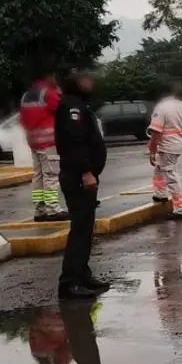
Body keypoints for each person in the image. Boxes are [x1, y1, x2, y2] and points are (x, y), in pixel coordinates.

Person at [55, 68, 109, 299]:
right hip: (78, 176)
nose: (90, 82)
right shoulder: (71, 107)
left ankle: (82, 274)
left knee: (86, 229)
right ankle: (69, 283)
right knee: (79, 230)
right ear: (74, 83)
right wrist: (86, 171)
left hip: (84, 176)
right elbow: (74, 142)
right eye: (84, 79)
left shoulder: (79, 104)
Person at [20, 65, 69, 222]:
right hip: (48, 142)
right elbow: (62, 110)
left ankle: (39, 210)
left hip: (33, 142)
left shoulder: (27, 95)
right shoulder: (49, 92)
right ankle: (53, 209)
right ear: (48, 77)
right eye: (54, 76)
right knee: (51, 176)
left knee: (38, 177)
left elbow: (23, 118)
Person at [148, 81, 182, 219]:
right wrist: (181, 137)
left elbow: (156, 132)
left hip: (167, 146)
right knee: (159, 167)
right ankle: (160, 193)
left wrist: (152, 150)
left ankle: (181, 209)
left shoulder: (161, 107)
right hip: (178, 144)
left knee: (170, 174)